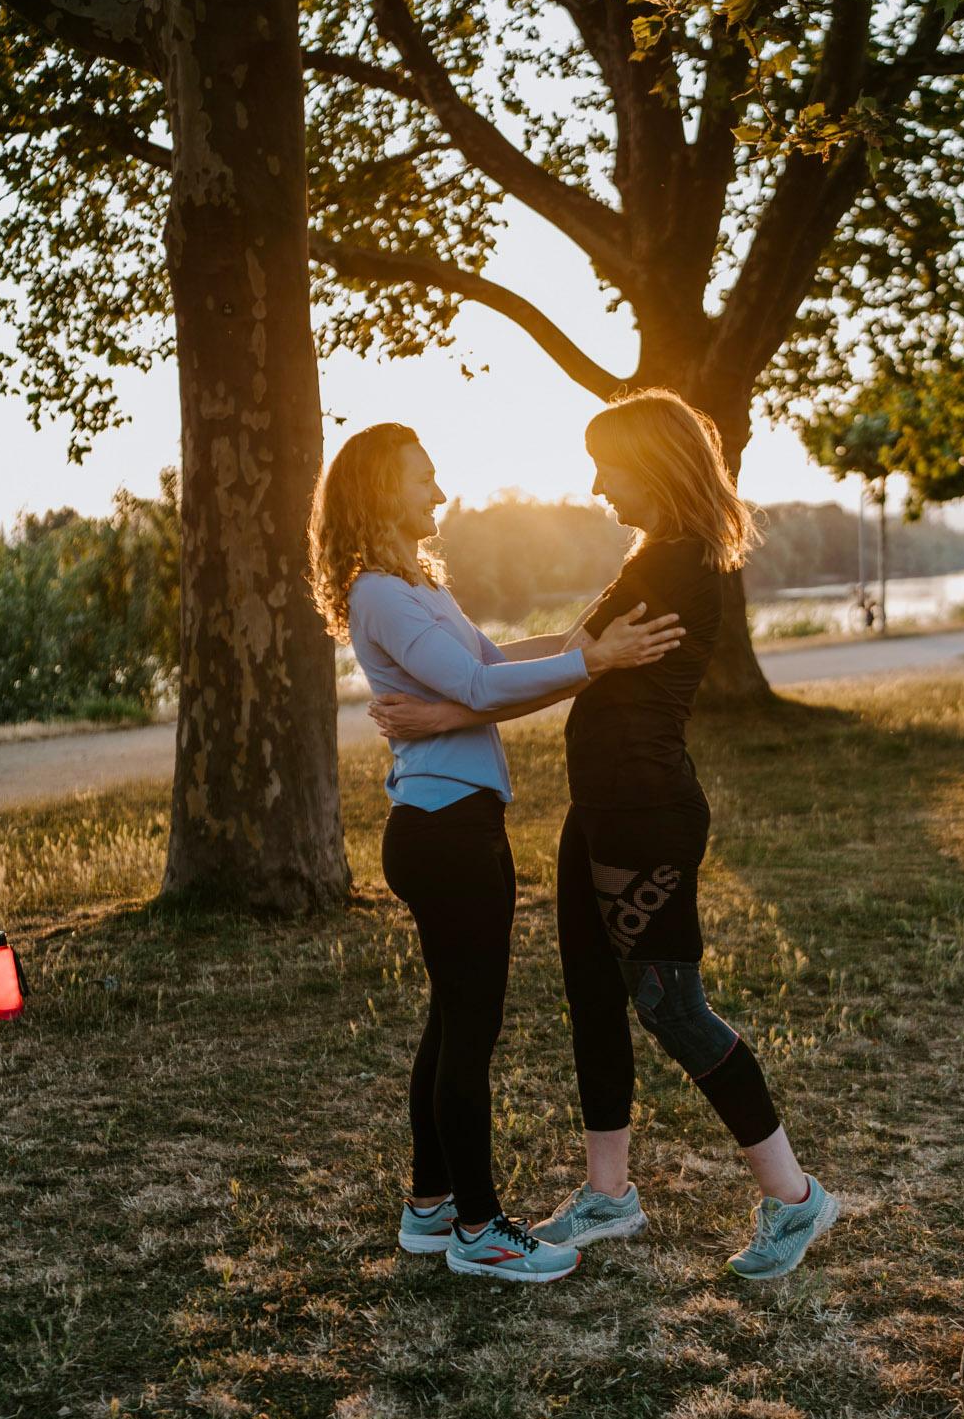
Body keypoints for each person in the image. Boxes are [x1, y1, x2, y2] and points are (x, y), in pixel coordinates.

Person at [370, 390, 839, 1280]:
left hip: (645, 813)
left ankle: (794, 1198)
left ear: (652, 466)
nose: (595, 485)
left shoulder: (674, 566)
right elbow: (577, 648)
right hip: (601, 807)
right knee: (591, 995)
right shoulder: (653, 559)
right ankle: (608, 1196)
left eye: (607, 467)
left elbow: (580, 668)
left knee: (670, 1006)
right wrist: (471, 684)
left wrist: (440, 711)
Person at [308, 422, 683, 1285]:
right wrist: (595, 662)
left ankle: (431, 1208)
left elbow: (490, 664)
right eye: (421, 478)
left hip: (456, 824)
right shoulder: (381, 594)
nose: (437, 493)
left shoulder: (414, 587)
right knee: (469, 1032)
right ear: (378, 492)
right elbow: (479, 689)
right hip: (443, 832)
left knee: (451, 1026)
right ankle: (479, 1230)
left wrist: (585, 639)